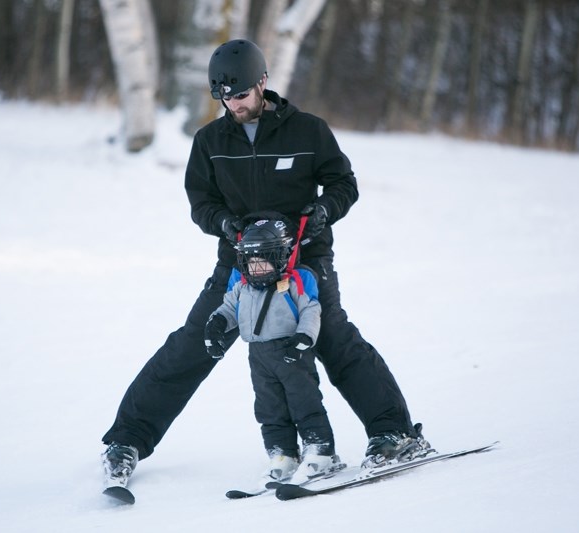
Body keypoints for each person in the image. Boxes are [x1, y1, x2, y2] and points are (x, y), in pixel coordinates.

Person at [102, 38, 430, 490]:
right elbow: (201, 203)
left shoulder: (308, 131)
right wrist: (227, 225)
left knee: (332, 336)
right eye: (223, 97)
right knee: (194, 343)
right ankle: (126, 443)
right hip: (240, 264)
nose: (232, 104)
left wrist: (321, 214)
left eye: (239, 94)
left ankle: (392, 433)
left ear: (261, 84)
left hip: (305, 261)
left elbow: (343, 184)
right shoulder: (210, 141)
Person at [204, 214, 342, 486]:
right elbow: (228, 309)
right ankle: (282, 454)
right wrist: (216, 326)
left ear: (278, 257)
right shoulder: (242, 286)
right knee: (269, 408)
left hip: (291, 353)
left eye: (262, 261)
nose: (255, 269)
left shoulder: (294, 281)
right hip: (258, 357)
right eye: (250, 263)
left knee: (304, 401)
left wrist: (304, 337)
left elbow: (311, 309)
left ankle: (320, 450)